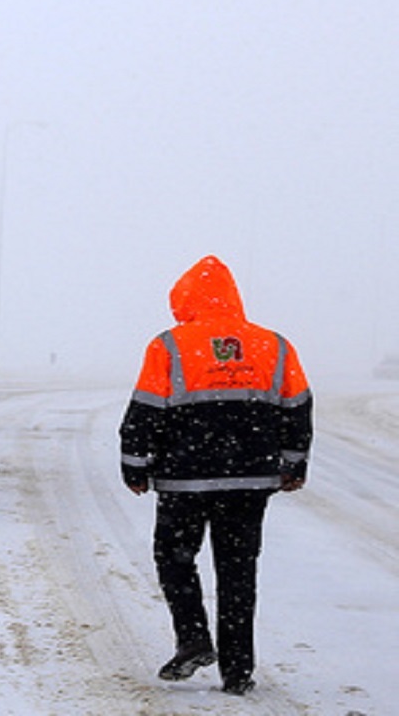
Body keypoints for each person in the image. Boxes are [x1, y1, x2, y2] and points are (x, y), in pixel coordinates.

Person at [119, 255, 312, 696]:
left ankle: (193, 638)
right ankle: (238, 670)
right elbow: (297, 408)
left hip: (184, 480)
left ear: (185, 298)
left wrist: (135, 464)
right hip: (249, 482)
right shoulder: (274, 345)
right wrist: (293, 464)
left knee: (175, 558)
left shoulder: (169, 345)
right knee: (239, 571)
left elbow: (145, 411)